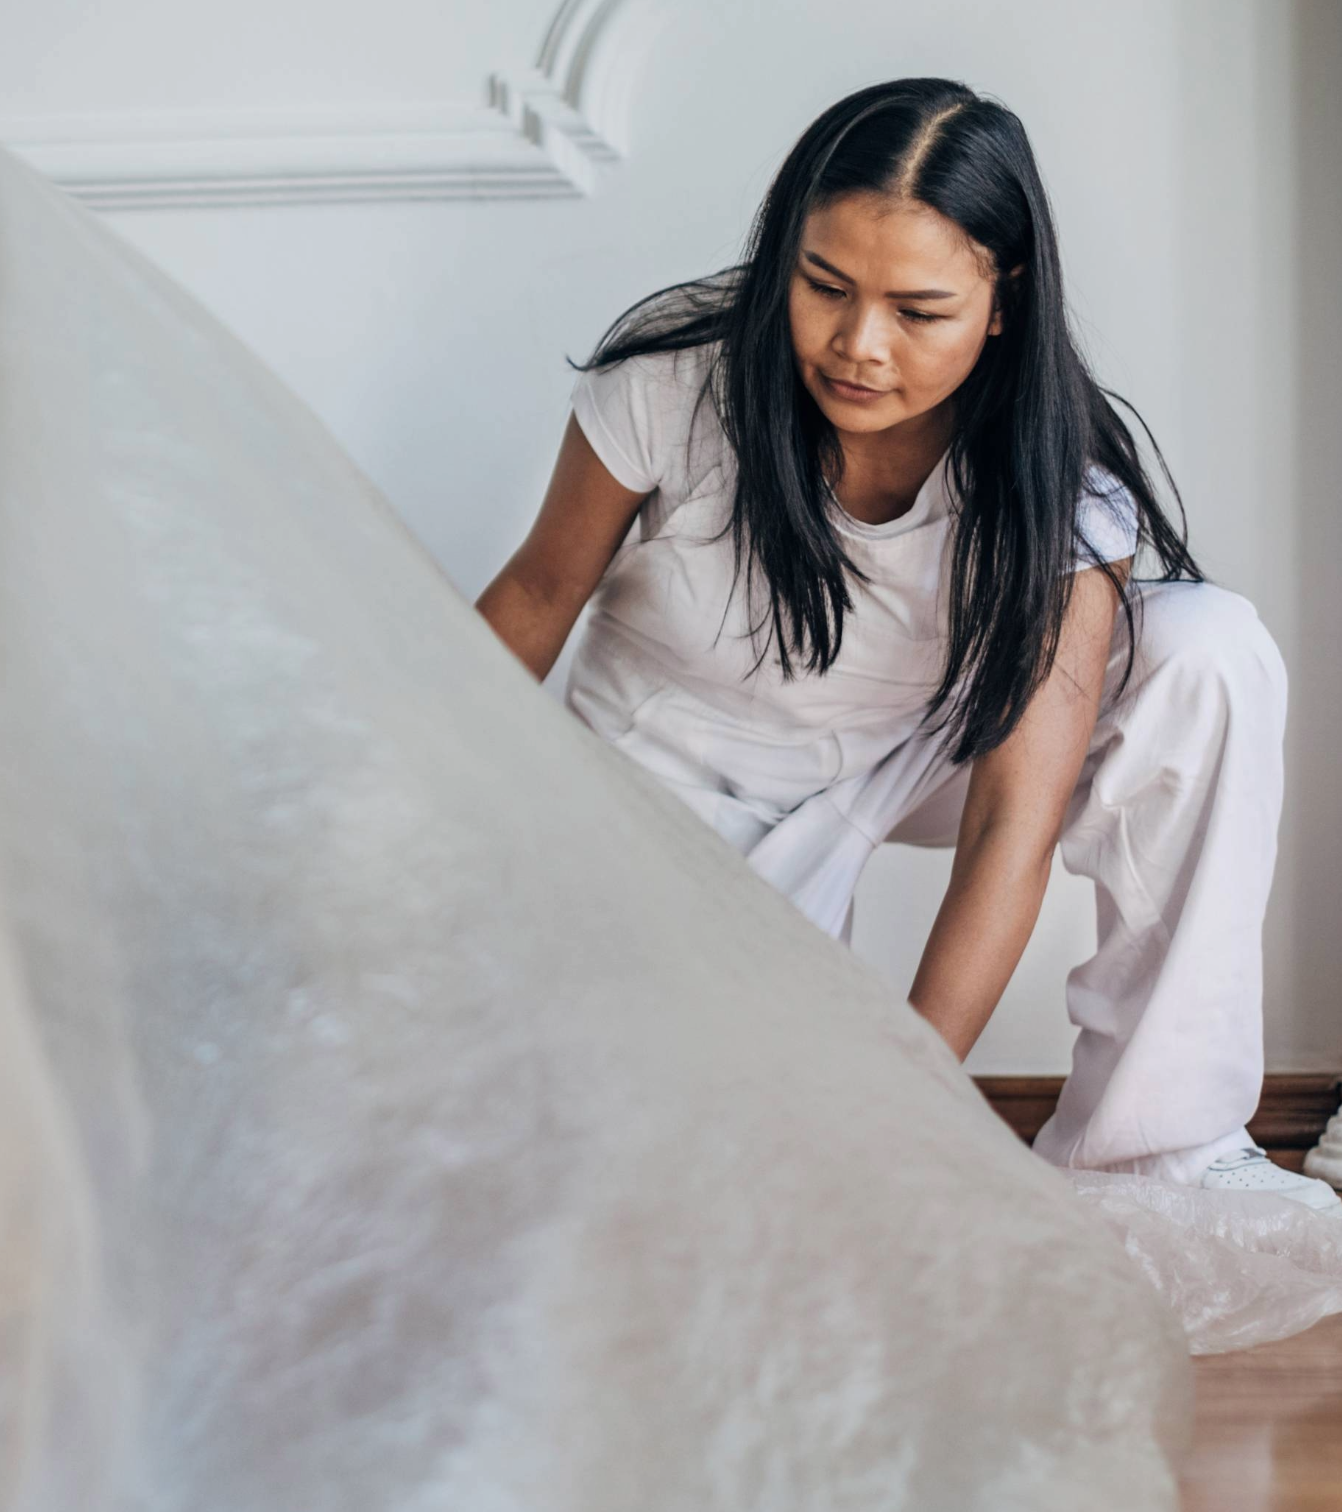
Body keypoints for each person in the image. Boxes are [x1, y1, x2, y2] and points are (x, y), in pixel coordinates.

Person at [478, 77, 1332, 1211]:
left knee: (1207, 645)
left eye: (917, 311)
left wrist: (917, 1112)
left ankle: (1152, 1148)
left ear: (1002, 298)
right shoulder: (673, 378)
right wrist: (416, 827)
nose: (857, 345)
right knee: (674, 1175)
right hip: (678, 774)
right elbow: (536, 595)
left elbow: (1009, 822)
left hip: (919, 751)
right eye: (823, 284)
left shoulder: (1060, 484)